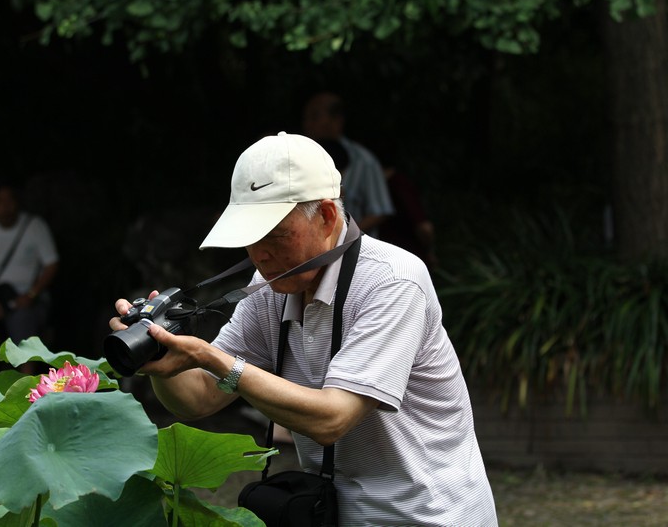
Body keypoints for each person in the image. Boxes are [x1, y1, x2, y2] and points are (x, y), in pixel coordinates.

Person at [110, 132, 497, 525]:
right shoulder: (270, 290)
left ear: (328, 217)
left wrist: (209, 356)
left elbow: (332, 418)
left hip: (430, 515)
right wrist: (157, 352)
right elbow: (197, 399)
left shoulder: (393, 282)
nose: (260, 255)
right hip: (334, 515)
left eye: (275, 236)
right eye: (249, 238)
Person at [0, 178, 59, 380]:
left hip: (28, 298)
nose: (5, 206)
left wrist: (32, 294)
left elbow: (51, 263)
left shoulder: (34, 226)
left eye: (9, 200)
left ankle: (27, 383)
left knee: (22, 320)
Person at [302, 91, 394, 237]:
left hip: (355, 253)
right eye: (306, 118)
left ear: (336, 120)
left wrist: (343, 236)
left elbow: (379, 211)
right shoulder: (300, 156)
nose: (307, 124)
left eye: (314, 117)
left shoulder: (364, 161)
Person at [378, 163, 438, 270]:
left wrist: (428, 252)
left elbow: (425, 228)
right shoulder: (382, 185)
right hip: (390, 258)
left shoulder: (399, 185)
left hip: (409, 258)